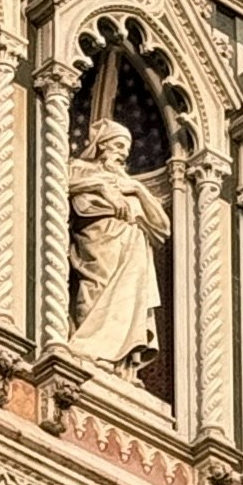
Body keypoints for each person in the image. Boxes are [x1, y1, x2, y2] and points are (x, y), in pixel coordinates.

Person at [68, 116, 170, 368]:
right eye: (118, 146)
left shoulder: (129, 183)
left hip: (130, 250)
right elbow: (60, 183)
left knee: (125, 302)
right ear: (102, 145)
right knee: (94, 289)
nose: (124, 153)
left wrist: (137, 189)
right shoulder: (81, 168)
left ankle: (116, 362)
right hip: (97, 241)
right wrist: (103, 188)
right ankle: (88, 348)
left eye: (126, 148)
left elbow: (163, 227)